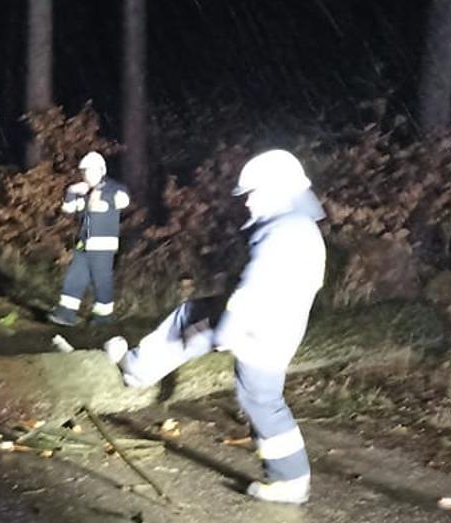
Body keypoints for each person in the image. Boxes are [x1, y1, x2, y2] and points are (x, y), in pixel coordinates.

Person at [103, 149, 327, 504]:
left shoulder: (283, 233)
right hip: (278, 328)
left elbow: (255, 287)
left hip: (258, 328)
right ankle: (291, 478)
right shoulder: (301, 229)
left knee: (258, 396)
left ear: (279, 190)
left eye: (254, 193)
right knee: (200, 324)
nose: (248, 202)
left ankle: (289, 480)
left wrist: (230, 329)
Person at [49, 151, 132, 327]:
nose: (88, 175)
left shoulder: (113, 187)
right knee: (75, 277)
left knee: (101, 280)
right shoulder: (83, 191)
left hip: (103, 246)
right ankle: (66, 314)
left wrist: (104, 199)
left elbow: (124, 200)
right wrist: (71, 192)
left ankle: (103, 318)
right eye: (85, 172)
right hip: (84, 244)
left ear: (101, 171)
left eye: (92, 171)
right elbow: (69, 210)